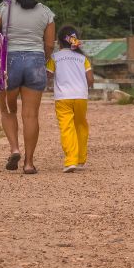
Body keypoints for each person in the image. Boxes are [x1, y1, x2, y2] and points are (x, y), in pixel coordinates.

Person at [0, 0, 55, 174]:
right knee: (31, 115)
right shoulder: (46, 12)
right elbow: (49, 45)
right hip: (35, 61)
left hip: (9, 63)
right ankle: (29, 163)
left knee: (8, 110)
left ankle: (14, 149)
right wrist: (42, 60)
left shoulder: (5, 7)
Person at [47, 26, 94, 173]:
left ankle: (71, 161)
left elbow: (48, 75)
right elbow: (90, 79)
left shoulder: (55, 57)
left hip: (63, 98)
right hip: (81, 97)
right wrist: (83, 87)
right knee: (81, 126)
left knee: (67, 127)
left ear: (59, 42)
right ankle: (80, 159)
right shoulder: (83, 58)